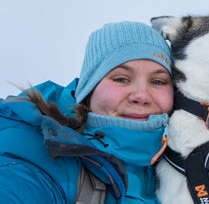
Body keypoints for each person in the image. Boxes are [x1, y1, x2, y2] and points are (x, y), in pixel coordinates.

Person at [0, 21, 174, 203]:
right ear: (88, 90)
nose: (141, 96)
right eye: (121, 79)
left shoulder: (190, 164)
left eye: (158, 81)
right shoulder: (35, 154)